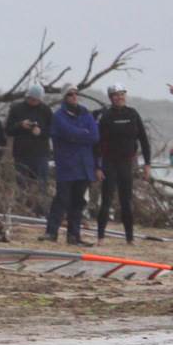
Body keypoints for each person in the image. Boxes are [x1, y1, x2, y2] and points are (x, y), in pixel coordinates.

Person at [93, 83, 151, 244]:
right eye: (116, 95)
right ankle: (100, 237)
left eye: (122, 94)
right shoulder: (106, 115)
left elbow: (143, 139)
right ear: (111, 98)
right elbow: (97, 143)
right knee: (106, 200)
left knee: (126, 201)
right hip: (109, 162)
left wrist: (147, 164)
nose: (119, 97)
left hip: (126, 162)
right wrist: (97, 167)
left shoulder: (132, 113)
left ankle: (129, 238)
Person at [42, 88, 99, 245]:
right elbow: (67, 132)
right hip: (66, 165)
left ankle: (74, 236)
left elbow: (95, 136)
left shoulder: (86, 114)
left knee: (78, 202)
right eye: (70, 94)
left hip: (84, 165)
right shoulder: (58, 116)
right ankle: (51, 232)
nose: (74, 97)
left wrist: (77, 135)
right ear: (64, 97)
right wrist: (83, 134)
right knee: (61, 199)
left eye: (75, 94)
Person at [6, 85, 53, 211]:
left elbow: (53, 130)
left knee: (41, 185)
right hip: (21, 154)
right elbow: (8, 130)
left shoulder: (46, 110)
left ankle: (40, 210)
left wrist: (41, 132)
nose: (33, 102)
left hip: (40, 154)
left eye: (36, 100)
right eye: (31, 99)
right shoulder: (17, 109)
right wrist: (20, 125)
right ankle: (22, 209)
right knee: (22, 185)